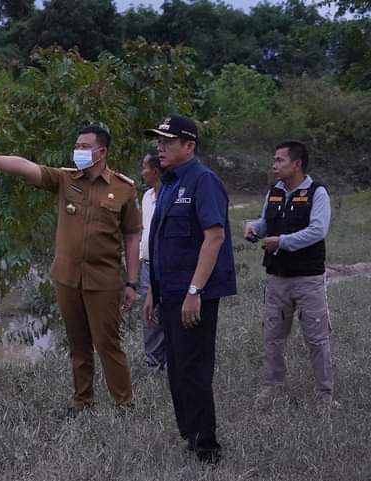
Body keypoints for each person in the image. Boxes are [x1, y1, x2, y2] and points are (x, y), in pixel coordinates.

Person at [0, 125, 142, 415]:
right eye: (76, 145)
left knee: (108, 344)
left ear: (102, 152)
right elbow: (24, 166)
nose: (78, 151)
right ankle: (82, 402)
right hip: (66, 278)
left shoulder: (123, 188)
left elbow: (132, 236)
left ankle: (124, 405)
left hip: (103, 280)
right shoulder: (65, 179)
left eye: (84, 146)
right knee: (78, 344)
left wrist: (132, 282)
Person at [142, 115, 236, 464]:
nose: (160, 147)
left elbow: (215, 237)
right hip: (168, 293)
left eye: (168, 141)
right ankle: (190, 436)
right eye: (158, 141)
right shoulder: (168, 183)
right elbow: (159, 242)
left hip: (193, 296)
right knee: (177, 370)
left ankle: (207, 450)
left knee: (194, 371)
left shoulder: (203, 181)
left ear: (189, 146)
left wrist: (194, 291)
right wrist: (152, 290)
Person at [243, 141, 334, 406]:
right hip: (276, 278)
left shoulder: (317, 193)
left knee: (317, 338)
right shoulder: (274, 192)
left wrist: (282, 241)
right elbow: (264, 222)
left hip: (308, 279)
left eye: (280, 160)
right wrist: (254, 228)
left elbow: (318, 230)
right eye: (274, 160)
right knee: (272, 336)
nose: (274, 166)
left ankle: (325, 394)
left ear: (297, 164)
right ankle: (273, 388)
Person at [138, 153, 165, 369]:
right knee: (149, 315)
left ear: (155, 171)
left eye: (144, 168)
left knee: (167, 312)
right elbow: (143, 230)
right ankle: (153, 363)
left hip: (165, 264)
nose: (142, 173)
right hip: (147, 265)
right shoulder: (147, 197)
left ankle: (169, 361)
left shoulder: (170, 195)